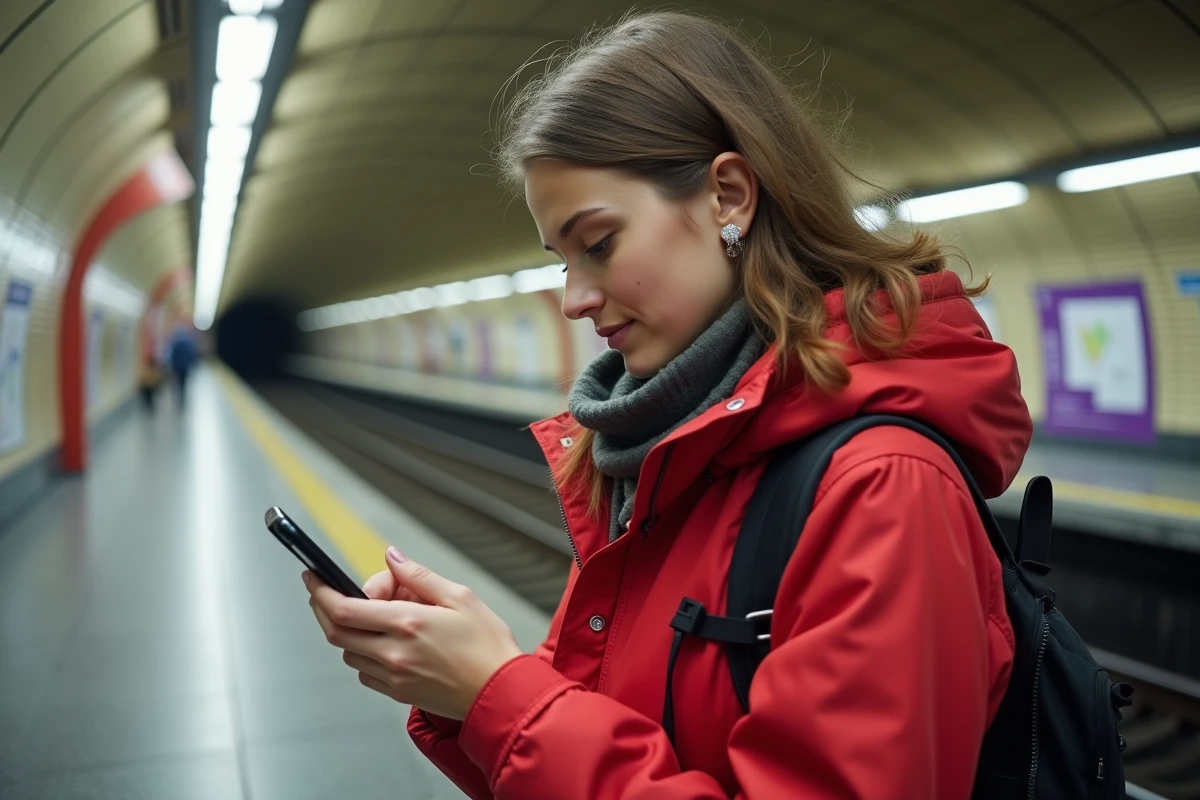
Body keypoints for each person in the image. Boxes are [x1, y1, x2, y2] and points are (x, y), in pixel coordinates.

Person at [304, 11, 1033, 799]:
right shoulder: (662, 453)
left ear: (728, 196)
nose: (575, 299)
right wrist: (467, 688)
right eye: (562, 261)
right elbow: (609, 724)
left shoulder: (884, 487)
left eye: (598, 244)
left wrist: (499, 695)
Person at [167, 323, 198, 408]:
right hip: (185, 367)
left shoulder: (176, 342)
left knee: (177, 383)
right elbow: (192, 354)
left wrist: (172, 366)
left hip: (177, 367)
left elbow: (172, 355)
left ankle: (179, 398)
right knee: (183, 383)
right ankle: (183, 397)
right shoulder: (188, 342)